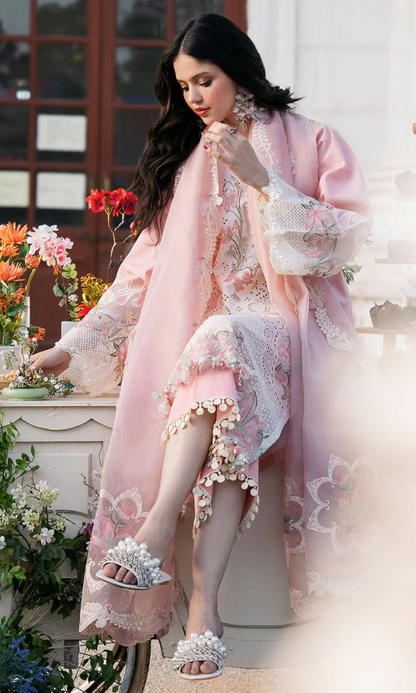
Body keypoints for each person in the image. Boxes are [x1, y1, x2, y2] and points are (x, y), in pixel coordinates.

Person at [31, 14, 377, 681]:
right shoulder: (191, 161)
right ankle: (203, 613)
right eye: (184, 85)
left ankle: (155, 529)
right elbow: (141, 275)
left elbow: (346, 236)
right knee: (220, 406)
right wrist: (73, 347)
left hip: (289, 332)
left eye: (205, 80)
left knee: (219, 338)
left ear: (239, 71)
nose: (192, 96)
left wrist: (262, 178)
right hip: (218, 359)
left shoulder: (313, 140)